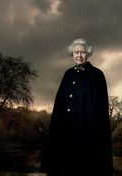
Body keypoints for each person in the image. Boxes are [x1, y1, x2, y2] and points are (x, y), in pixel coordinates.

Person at [40, 38, 113, 176]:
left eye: (82, 52)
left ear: (88, 53)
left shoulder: (97, 75)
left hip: (86, 131)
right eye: (76, 52)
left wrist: (94, 132)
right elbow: (60, 102)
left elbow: (100, 108)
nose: (79, 55)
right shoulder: (67, 74)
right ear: (72, 54)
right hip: (65, 131)